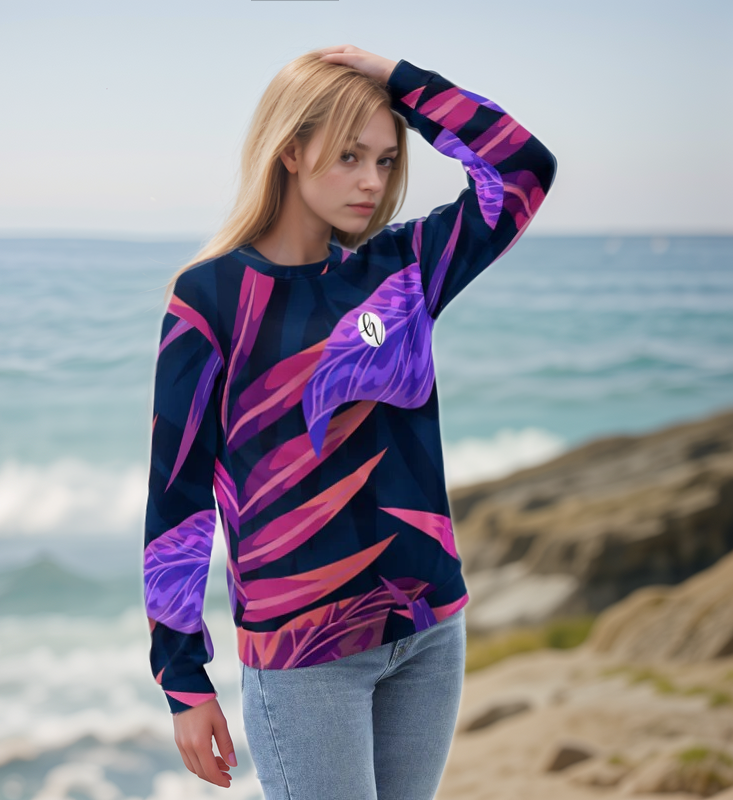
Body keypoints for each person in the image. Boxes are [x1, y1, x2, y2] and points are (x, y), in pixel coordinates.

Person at [142, 44, 557, 799]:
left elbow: (524, 168)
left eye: (386, 159)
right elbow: (179, 496)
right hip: (305, 655)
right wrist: (183, 679)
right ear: (290, 152)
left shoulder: (404, 268)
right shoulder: (209, 300)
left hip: (429, 629)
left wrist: (402, 81)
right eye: (349, 156)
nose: (373, 181)